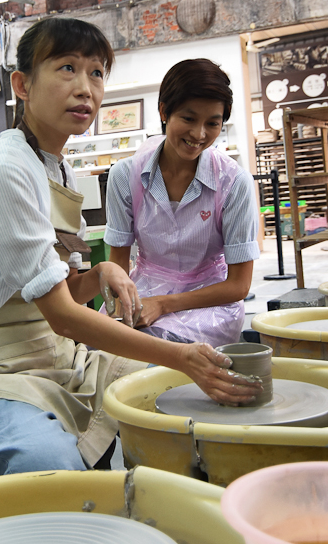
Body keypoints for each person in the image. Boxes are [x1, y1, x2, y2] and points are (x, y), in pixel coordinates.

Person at [0, 18, 261, 479]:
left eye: (96, 73)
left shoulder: (56, 168)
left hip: (58, 356)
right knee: (49, 465)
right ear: (22, 85)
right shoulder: (6, 170)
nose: (85, 88)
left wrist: (100, 275)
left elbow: (65, 288)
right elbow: (64, 313)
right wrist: (181, 357)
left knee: (175, 401)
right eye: (67, 68)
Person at [104, 59, 259, 346]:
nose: (199, 134)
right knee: (104, 346)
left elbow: (238, 285)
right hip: (144, 292)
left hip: (209, 302)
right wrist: (121, 308)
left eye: (212, 123)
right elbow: (118, 268)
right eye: (188, 119)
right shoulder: (125, 176)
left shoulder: (234, 182)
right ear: (164, 111)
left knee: (169, 349)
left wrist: (162, 304)